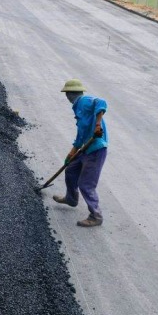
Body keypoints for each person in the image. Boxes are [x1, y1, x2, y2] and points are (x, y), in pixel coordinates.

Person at [51, 79, 108, 227]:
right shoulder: (78, 108)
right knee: (70, 170)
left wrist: (97, 124)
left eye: (67, 94)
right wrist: (71, 153)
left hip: (96, 149)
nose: (67, 97)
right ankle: (71, 198)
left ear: (70, 94)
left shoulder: (84, 100)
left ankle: (96, 216)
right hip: (85, 148)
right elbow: (81, 133)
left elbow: (101, 102)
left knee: (86, 184)